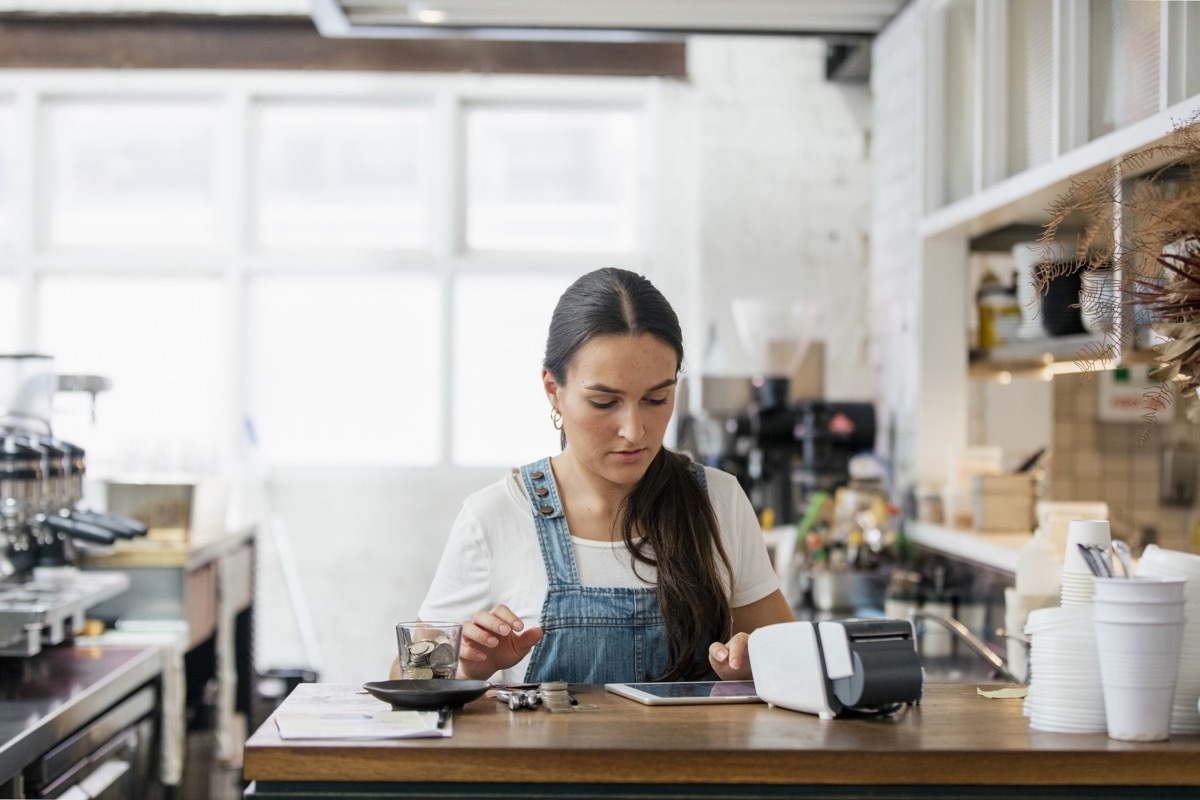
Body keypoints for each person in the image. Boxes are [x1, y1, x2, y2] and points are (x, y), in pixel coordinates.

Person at [402, 267, 793, 685]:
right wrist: (464, 669)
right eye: (605, 402)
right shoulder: (495, 516)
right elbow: (407, 678)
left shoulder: (718, 500)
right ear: (553, 389)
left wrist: (760, 667)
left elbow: (793, 660)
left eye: (656, 398)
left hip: (689, 754)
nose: (635, 430)